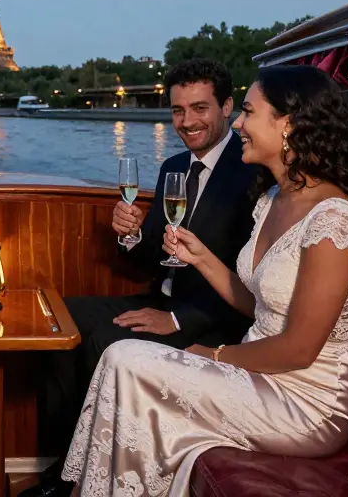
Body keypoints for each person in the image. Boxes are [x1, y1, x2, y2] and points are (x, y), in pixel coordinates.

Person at [61, 64, 348, 496]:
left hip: (309, 400)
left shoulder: (333, 220)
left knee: (125, 359)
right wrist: (203, 258)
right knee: (124, 357)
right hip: (263, 370)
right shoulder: (273, 200)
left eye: (248, 112)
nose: (239, 124)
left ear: (288, 123)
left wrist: (208, 354)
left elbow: (301, 348)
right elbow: (257, 305)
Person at [26, 58, 260, 497]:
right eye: (177, 110)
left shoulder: (252, 172)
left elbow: (251, 282)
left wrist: (176, 322)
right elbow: (156, 254)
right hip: (162, 298)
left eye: (199, 108)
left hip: (210, 320)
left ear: (228, 106)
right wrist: (132, 235)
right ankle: (61, 471)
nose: (187, 122)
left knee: (103, 342)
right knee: (60, 321)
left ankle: (94, 477)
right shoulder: (173, 165)